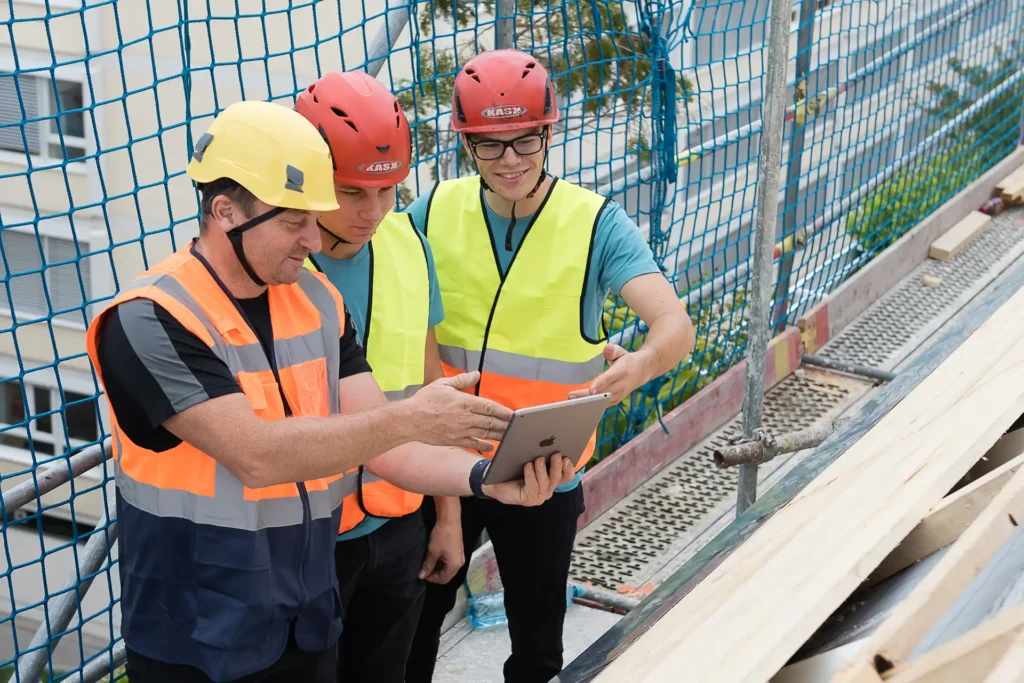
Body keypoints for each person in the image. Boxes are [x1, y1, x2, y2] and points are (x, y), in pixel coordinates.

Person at [84, 99, 575, 683]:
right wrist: (414, 418)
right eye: (294, 221)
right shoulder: (150, 320)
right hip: (196, 637)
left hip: (307, 616)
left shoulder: (317, 300)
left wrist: (488, 480)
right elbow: (256, 455)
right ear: (225, 211)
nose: (314, 240)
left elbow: (385, 451)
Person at [405, 50, 697, 683]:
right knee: (413, 632)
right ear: (466, 143)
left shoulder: (595, 223)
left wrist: (642, 364)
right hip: (445, 461)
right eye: (489, 145)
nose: (510, 160)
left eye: (526, 140)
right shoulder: (433, 211)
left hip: (543, 467)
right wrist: (447, 510)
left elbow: (675, 326)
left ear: (549, 131)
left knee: (537, 647)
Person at [293, 71, 465, 682]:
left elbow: (431, 389)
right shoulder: (272, 266)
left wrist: (447, 520)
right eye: (351, 193)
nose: (373, 212)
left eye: (387, 190)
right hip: (305, 541)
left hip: (397, 524)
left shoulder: (407, 245)